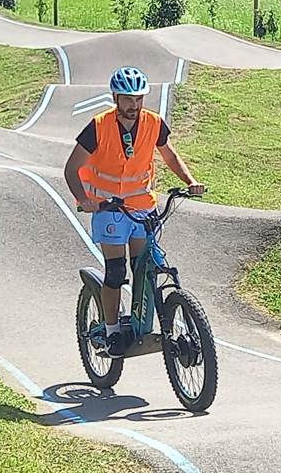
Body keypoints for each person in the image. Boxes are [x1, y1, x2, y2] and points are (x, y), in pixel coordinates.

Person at [64, 66, 204, 357]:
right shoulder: (98, 126)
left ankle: (146, 323)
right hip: (109, 209)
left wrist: (190, 182)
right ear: (115, 98)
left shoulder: (154, 123)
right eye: (127, 99)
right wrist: (84, 199)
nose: (134, 105)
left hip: (142, 208)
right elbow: (71, 168)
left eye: (138, 99)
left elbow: (169, 155)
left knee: (144, 267)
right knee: (116, 272)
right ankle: (113, 331)